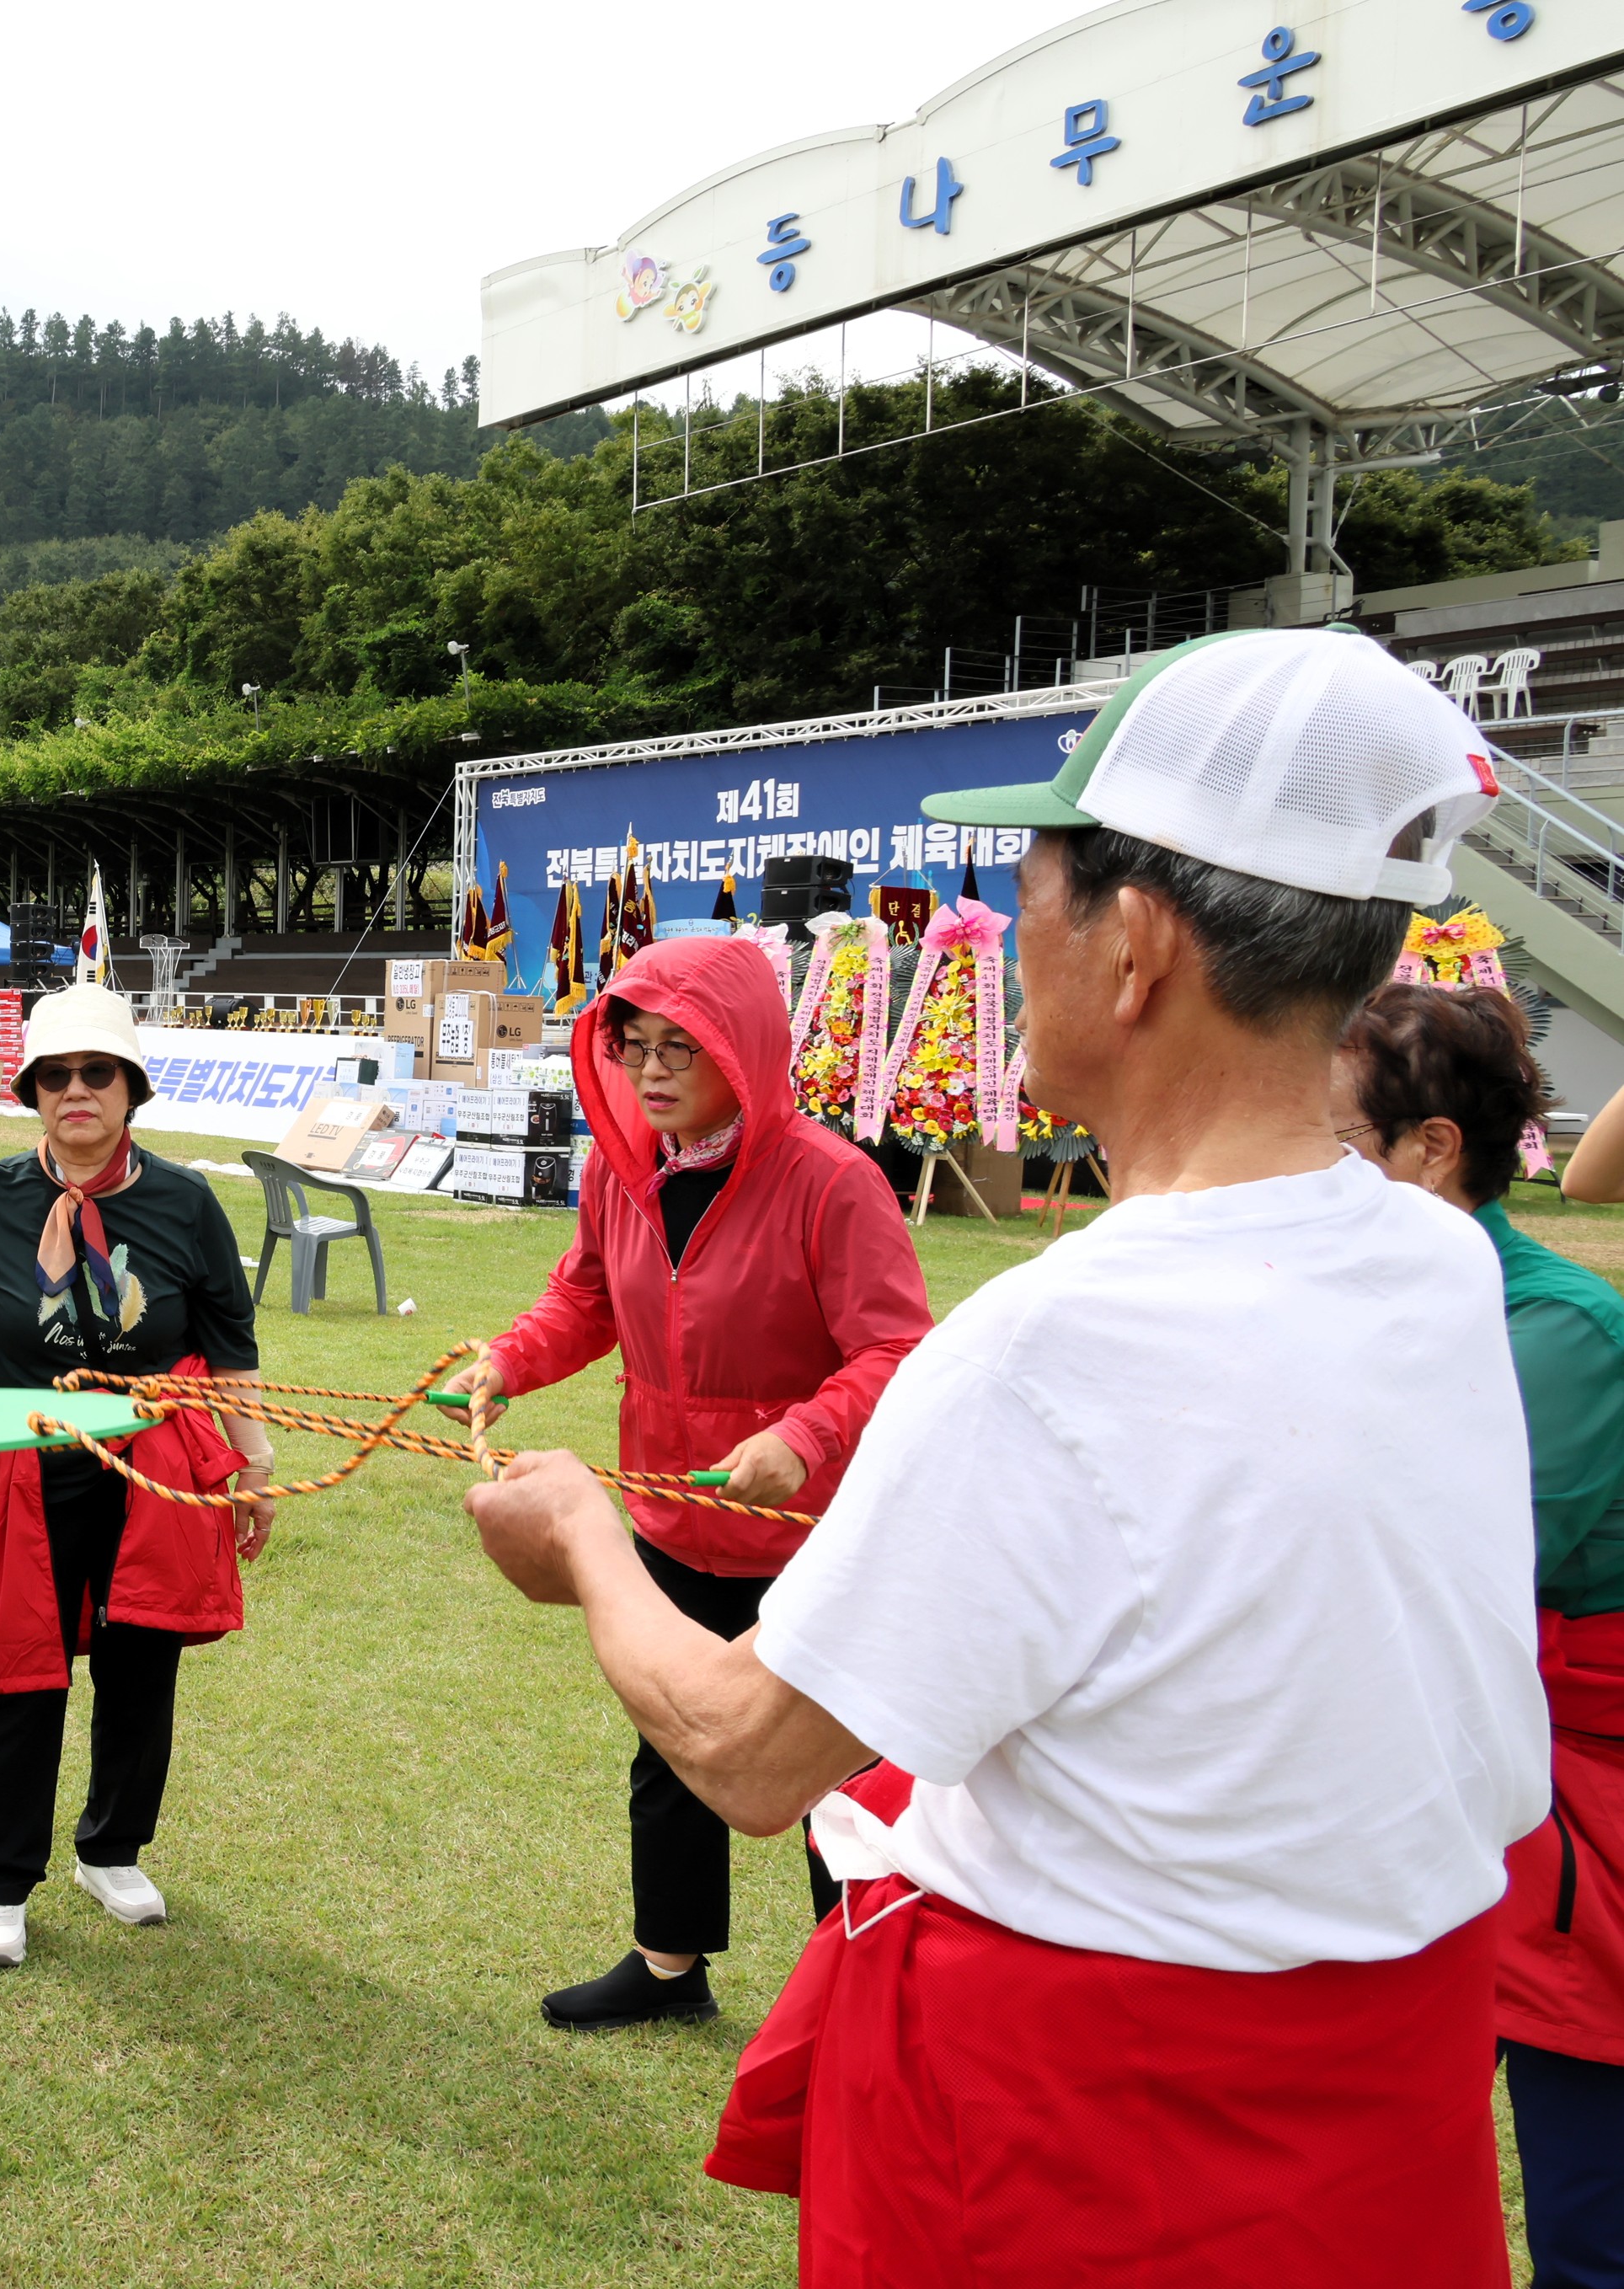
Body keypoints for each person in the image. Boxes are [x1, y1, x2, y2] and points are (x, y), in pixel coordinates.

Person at [465, 628, 1546, 2286]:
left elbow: (749, 1755)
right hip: (1377, 2114)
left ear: (1135, 946)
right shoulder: (1435, 1257)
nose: (1007, 932)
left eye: (1027, 885)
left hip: (1091, 2136)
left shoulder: (1048, 1344)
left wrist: (582, 1537)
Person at [437, 933, 931, 2028]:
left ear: (741, 1048)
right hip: (672, 1517)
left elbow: (898, 1349)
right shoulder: (623, 1170)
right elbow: (584, 1299)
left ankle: (855, 2000)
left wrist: (804, 1435)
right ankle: (668, 1968)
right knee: (668, 1741)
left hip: (812, 1536)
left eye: (680, 1047)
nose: (651, 1071)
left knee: (833, 1774)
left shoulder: (831, 1181)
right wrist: (505, 1362)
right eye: (634, 1045)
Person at [1336, 981, 1624, 2287]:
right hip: (1424, 1800)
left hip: (1571, 1826)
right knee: (1366, 2185)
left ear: (1433, 1150)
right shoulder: (1349, 1301)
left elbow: (1476, 1565)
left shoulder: (1556, 1327)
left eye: (1336, 1143)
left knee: (1587, 2214)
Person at [0, 984, 280, 1968]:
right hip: (23, 1464)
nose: (76, 1090)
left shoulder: (185, 1202)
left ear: (130, 1088)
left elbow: (227, 1345)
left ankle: (111, 1848)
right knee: (17, 1666)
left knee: (141, 1660)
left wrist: (254, 1461)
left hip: (154, 1468)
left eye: (96, 1072)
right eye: (55, 1075)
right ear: (31, 1090)